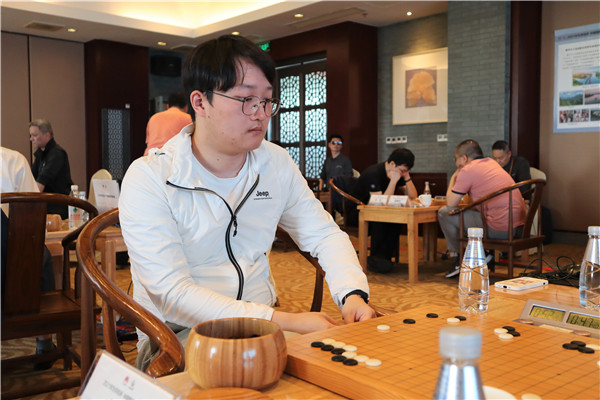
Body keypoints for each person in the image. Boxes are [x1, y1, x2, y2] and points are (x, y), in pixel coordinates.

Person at [119, 35, 375, 371]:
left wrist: (352, 294)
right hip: (177, 336)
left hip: (266, 324)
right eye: (245, 100)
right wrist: (283, 321)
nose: (260, 114)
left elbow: (323, 234)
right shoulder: (151, 176)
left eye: (267, 101)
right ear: (200, 102)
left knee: (344, 369)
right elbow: (173, 294)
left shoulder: (275, 163)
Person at [0, 147, 56, 370]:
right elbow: (34, 216)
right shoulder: (12, 160)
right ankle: (44, 342)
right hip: (14, 284)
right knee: (39, 253)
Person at [438, 140, 526, 278]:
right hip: (519, 226)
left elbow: (451, 203)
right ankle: (482, 253)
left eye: (456, 159)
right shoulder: (492, 163)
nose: (456, 164)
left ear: (464, 158)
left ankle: (462, 258)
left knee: (445, 213)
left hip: (500, 229)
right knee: (469, 212)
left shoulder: (468, 170)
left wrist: (454, 176)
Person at [350, 148, 417, 273]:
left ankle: (385, 258)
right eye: (403, 170)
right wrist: (393, 181)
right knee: (382, 220)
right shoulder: (373, 173)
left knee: (396, 220)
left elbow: (413, 196)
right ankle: (375, 259)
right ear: (392, 164)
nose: (403, 173)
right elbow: (381, 203)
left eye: (406, 171)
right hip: (357, 212)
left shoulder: (397, 172)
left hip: (374, 210)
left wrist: (407, 177)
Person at [29, 119, 73, 219]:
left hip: (58, 206)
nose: (31, 139)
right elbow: (31, 178)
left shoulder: (57, 154)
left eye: (34, 135)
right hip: (46, 203)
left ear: (47, 135)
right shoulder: (41, 154)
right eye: (31, 135)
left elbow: (41, 183)